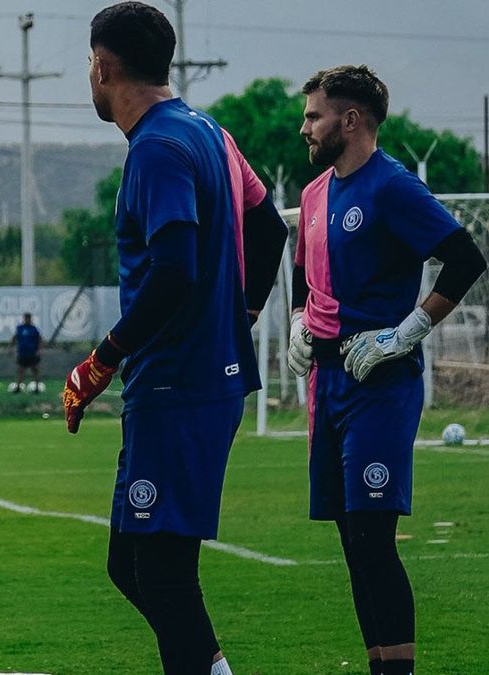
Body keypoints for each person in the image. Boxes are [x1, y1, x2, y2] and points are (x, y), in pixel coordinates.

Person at [64, 4, 288, 674]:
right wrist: (241, 315)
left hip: (176, 383)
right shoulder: (208, 132)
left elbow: (173, 270)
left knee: (158, 569)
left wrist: (100, 360)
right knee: (132, 563)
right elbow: (271, 229)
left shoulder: (158, 147)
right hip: (198, 377)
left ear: (103, 67)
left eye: (89, 65)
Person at [289, 65, 487, 675]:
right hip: (329, 385)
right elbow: (303, 273)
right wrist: (300, 319)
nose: (305, 127)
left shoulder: (394, 187)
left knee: (375, 540)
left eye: (314, 116)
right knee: (353, 545)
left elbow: (464, 259)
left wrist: (408, 332)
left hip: (381, 385)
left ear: (350, 120)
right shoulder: (315, 194)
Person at [8, 312, 43, 393]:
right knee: (21, 370)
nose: (27, 319)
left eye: (28, 318)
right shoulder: (20, 328)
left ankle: (37, 387)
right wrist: (10, 348)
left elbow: (39, 340)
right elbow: (14, 338)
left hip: (32, 353)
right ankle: (18, 387)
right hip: (22, 353)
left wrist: (38, 350)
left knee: (35, 370)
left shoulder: (34, 329)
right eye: (26, 318)